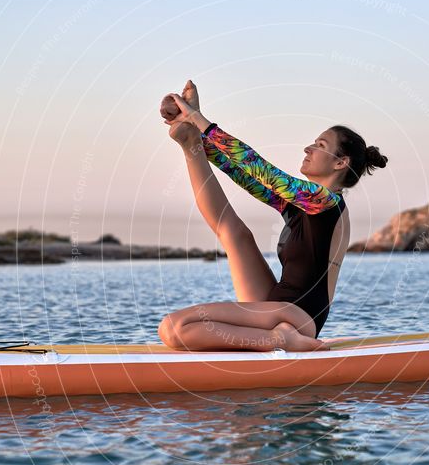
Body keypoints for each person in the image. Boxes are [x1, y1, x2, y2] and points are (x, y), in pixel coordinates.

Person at [158, 80, 387, 352]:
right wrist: (193, 137)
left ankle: (279, 340)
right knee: (233, 233)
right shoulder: (300, 203)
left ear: (340, 162)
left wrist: (199, 119)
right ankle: (189, 145)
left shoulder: (325, 201)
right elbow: (243, 172)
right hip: (278, 306)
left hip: (296, 317)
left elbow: (262, 168)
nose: (308, 148)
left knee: (175, 328)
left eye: (320, 145)